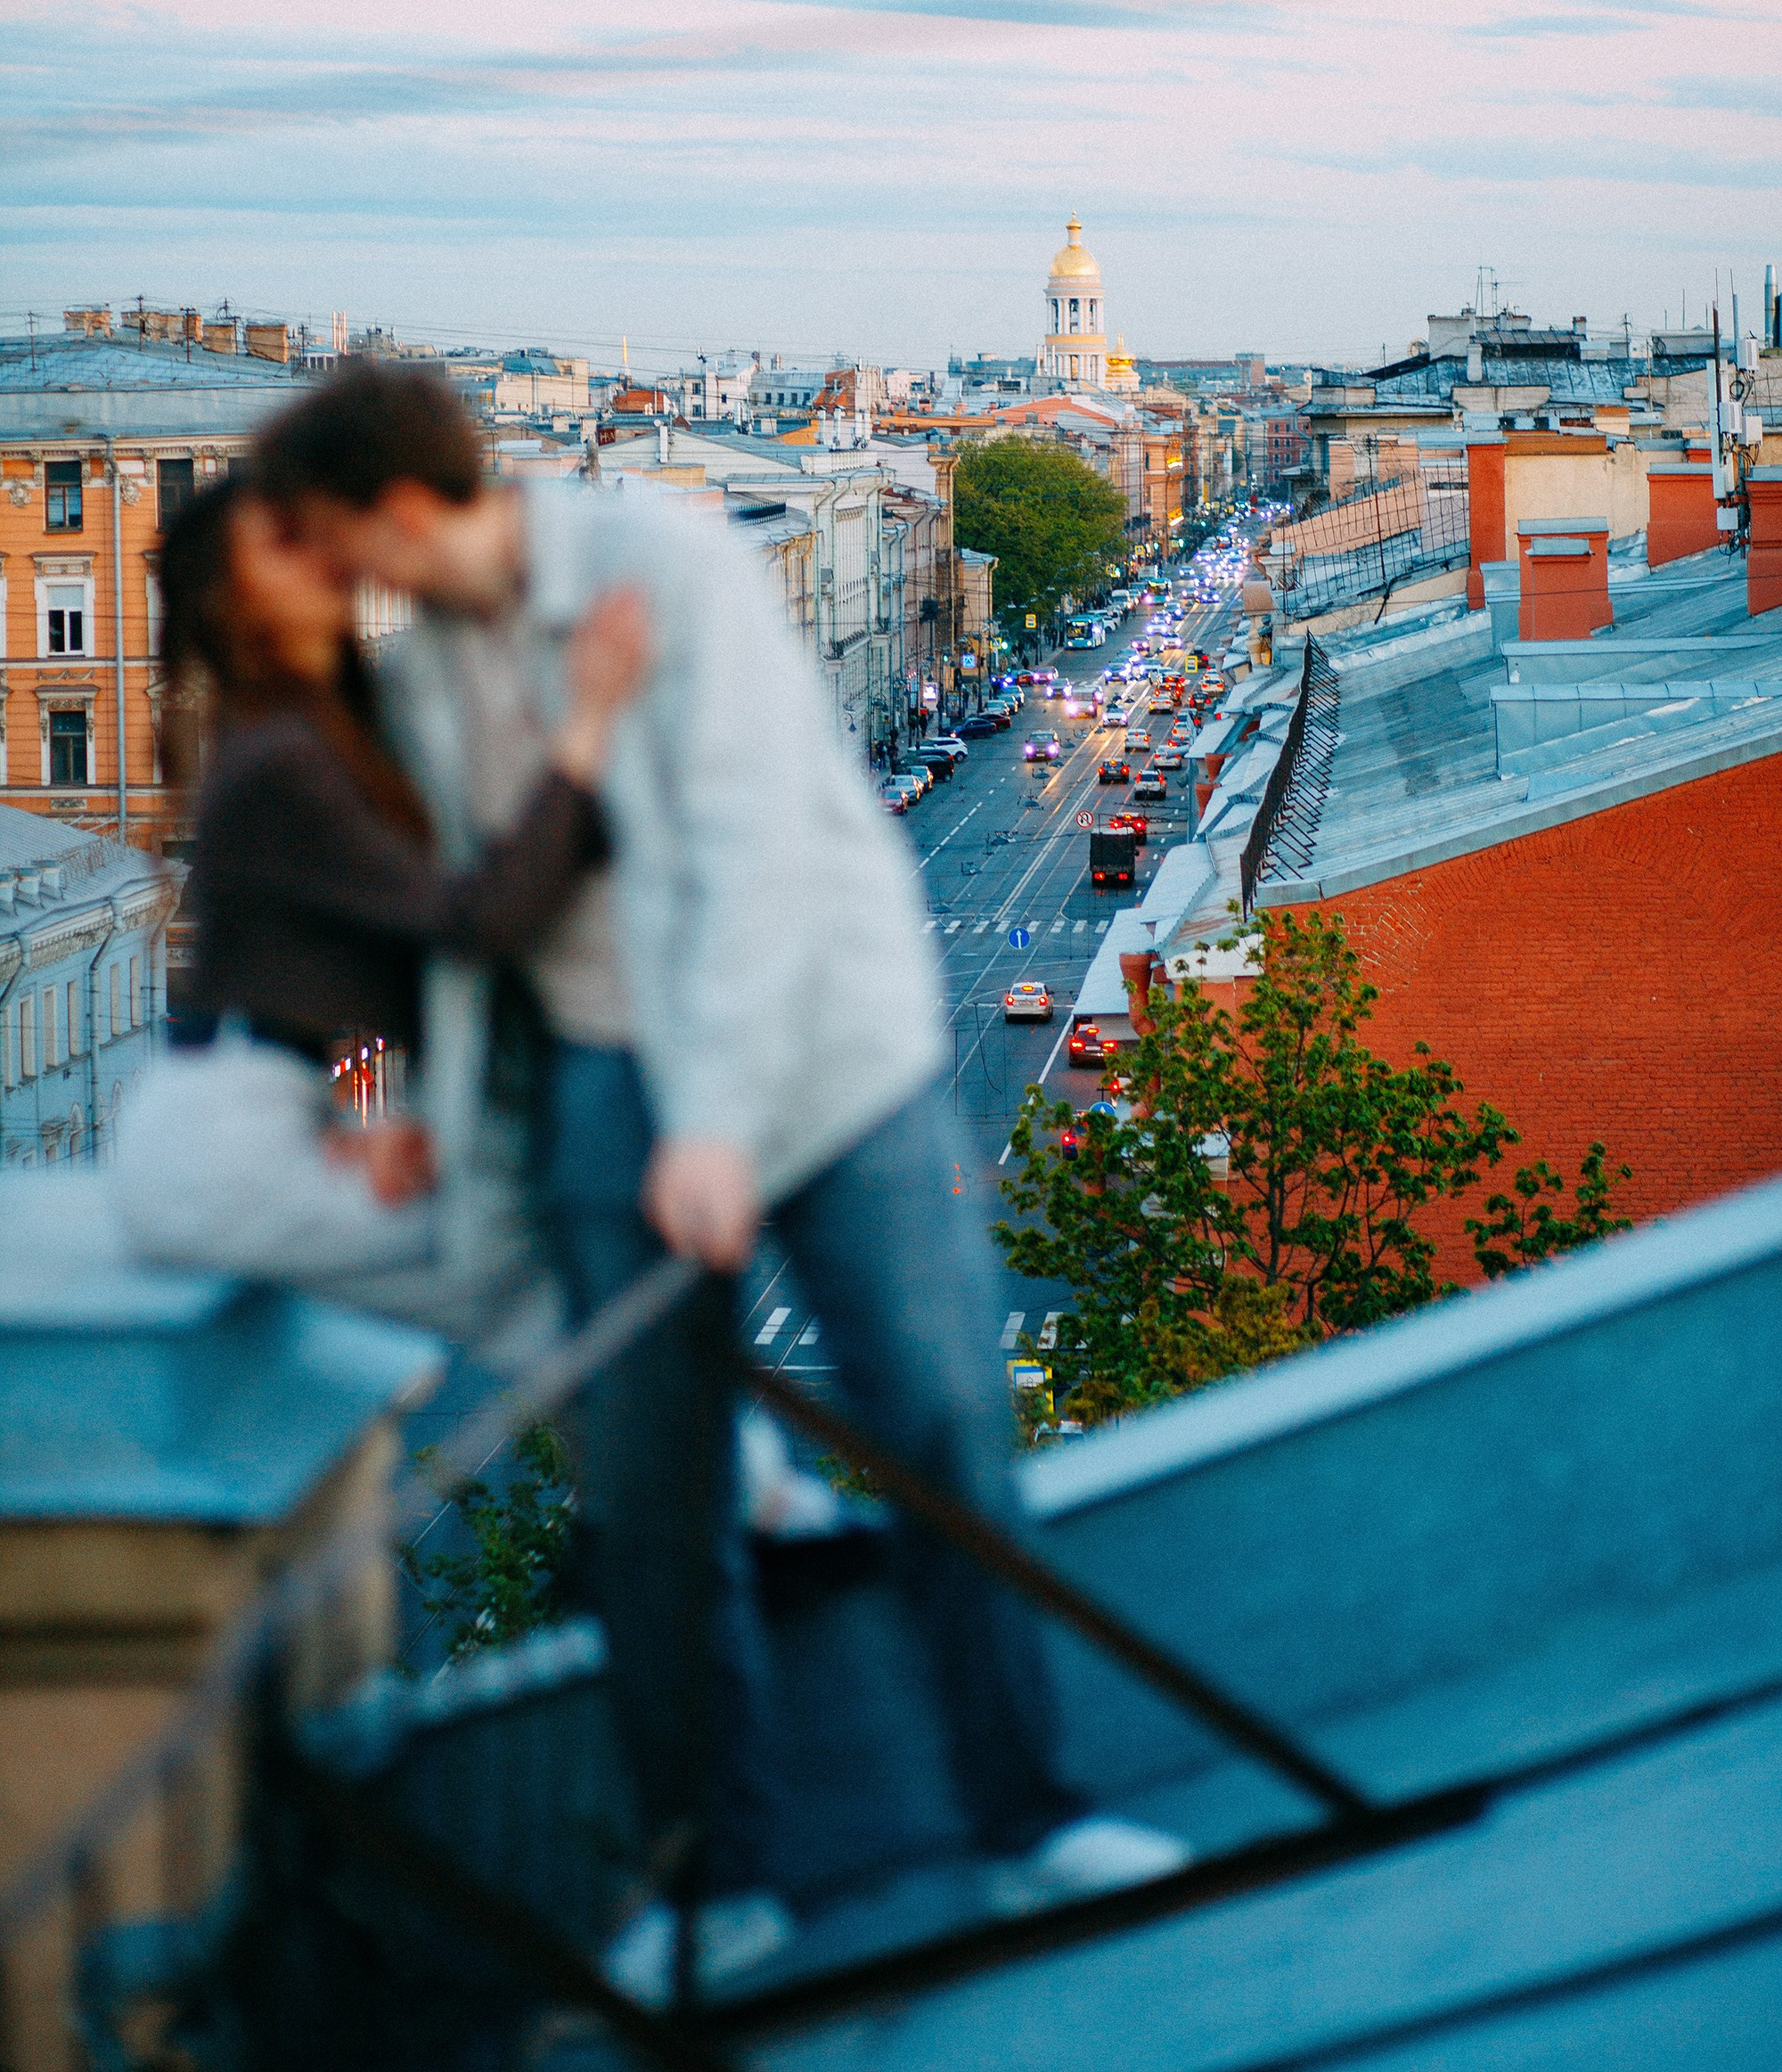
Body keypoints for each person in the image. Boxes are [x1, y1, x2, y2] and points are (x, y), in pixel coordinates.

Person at [251, 364, 1185, 2003]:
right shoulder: (436, 681)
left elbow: (755, 855)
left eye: (340, 545)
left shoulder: (669, 568)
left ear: (400, 511)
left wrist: (717, 1126)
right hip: (621, 1072)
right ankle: (720, 1878)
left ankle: (1029, 1813)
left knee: (942, 1418)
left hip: (827, 1051)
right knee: (652, 1495)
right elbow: (491, 941)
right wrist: (480, 1162)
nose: (344, 584)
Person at [158, 472, 648, 1208]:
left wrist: (393, 1115)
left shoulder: (312, 727)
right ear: (230, 599)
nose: (322, 550)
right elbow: (475, 921)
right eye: (286, 544)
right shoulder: (280, 756)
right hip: (227, 1131)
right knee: (533, 1265)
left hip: (258, 1111)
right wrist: (586, 727)